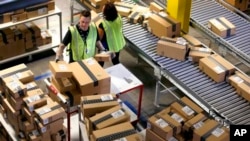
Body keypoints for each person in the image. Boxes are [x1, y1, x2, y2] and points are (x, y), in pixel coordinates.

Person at [98, 2, 126, 67]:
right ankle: (120, 72)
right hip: (118, 43)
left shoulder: (103, 25)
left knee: (101, 62)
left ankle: (99, 75)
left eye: (103, 9)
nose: (102, 9)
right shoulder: (119, 17)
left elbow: (100, 38)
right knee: (115, 60)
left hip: (108, 46)